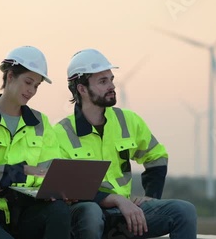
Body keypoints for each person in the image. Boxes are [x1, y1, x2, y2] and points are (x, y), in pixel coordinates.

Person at [53, 49, 198, 239]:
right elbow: (65, 188)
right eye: (103, 81)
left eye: (111, 79)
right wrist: (116, 200)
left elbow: (156, 157)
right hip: (86, 217)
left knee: (184, 211)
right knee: (91, 213)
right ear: (81, 88)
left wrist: (151, 195)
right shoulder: (60, 133)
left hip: (124, 215)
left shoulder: (128, 120)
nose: (112, 86)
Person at [0, 46, 71, 239]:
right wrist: (21, 171)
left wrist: (52, 190)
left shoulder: (41, 123)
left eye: (36, 86)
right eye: (28, 82)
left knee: (59, 210)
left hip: (27, 211)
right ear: (10, 76)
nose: (32, 91)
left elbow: (48, 171)